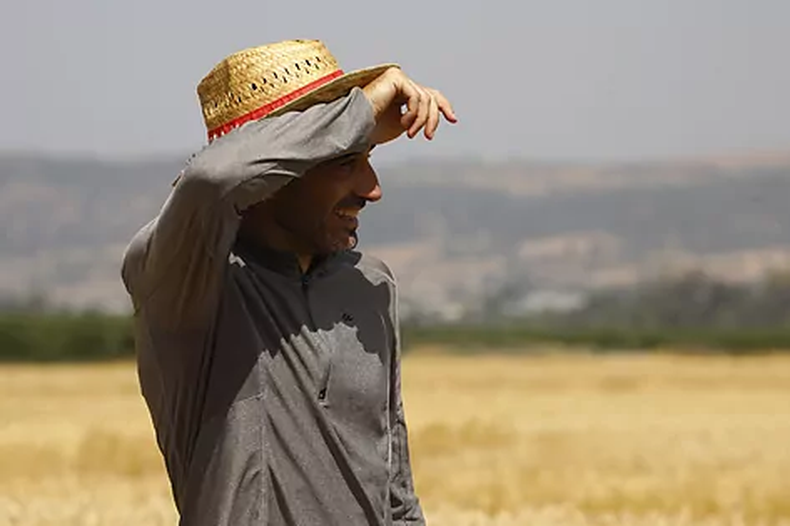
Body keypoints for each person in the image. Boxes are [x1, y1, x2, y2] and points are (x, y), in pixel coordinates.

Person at [121, 39, 457, 526]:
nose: (372, 189)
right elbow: (216, 179)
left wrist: (349, 133)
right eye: (345, 162)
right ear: (276, 173)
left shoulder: (369, 286)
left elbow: (396, 489)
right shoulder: (185, 281)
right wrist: (362, 108)